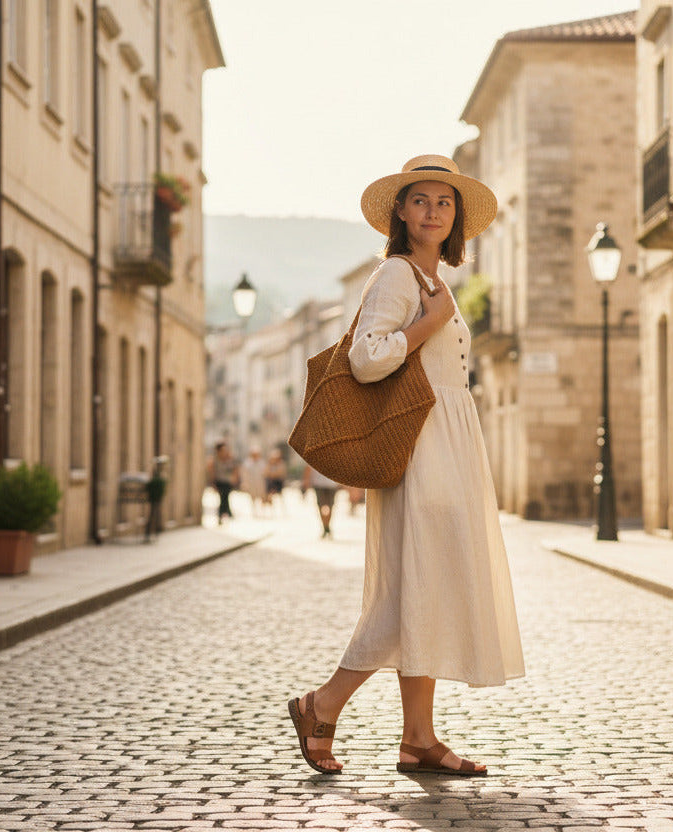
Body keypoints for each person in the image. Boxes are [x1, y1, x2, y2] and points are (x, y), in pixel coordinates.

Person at [288, 155, 524, 777]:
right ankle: (323, 703)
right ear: (399, 211)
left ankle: (418, 738)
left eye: (444, 203)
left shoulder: (431, 278)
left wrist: (435, 313)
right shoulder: (397, 275)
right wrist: (430, 324)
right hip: (420, 446)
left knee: (429, 586)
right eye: (421, 201)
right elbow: (367, 360)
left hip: (448, 446)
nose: (433, 212)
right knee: (408, 590)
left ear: (456, 217)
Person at [302, 465, 339, 538]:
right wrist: (306, 481)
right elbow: (308, 467)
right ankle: (325, 526)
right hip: (319, 484)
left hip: (331, 484)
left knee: (330, 507)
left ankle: (327, 525)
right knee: (321, 506)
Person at [207, 441, 238, 524]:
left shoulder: (230, 458)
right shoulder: (214, 460)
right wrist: (213, 483)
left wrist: (234, 478)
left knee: (226, 497)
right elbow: (212, 472)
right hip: (219, 481)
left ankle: (225, 513)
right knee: (222, 498)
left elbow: (235, 468)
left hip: (227, 481)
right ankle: (224, 514)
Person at [241, 446, 267, 516]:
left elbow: (265, 472)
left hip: (260, 482)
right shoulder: (247, 463)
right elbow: (245, 474)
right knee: (252, 497)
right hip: (251, 483)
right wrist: (245, 483)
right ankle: (254, 511)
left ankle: (262, 511)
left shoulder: (262, 462)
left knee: (262, 497)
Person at [264, 448, 288, 513]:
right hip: (271, 482)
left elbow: (281, 473)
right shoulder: (269, 464)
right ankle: (270, 510)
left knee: (280, 496)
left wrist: (273, 474)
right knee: (269, 495)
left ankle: (282, 510)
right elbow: (266, 473)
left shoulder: (281, 464)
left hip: (278, 482)